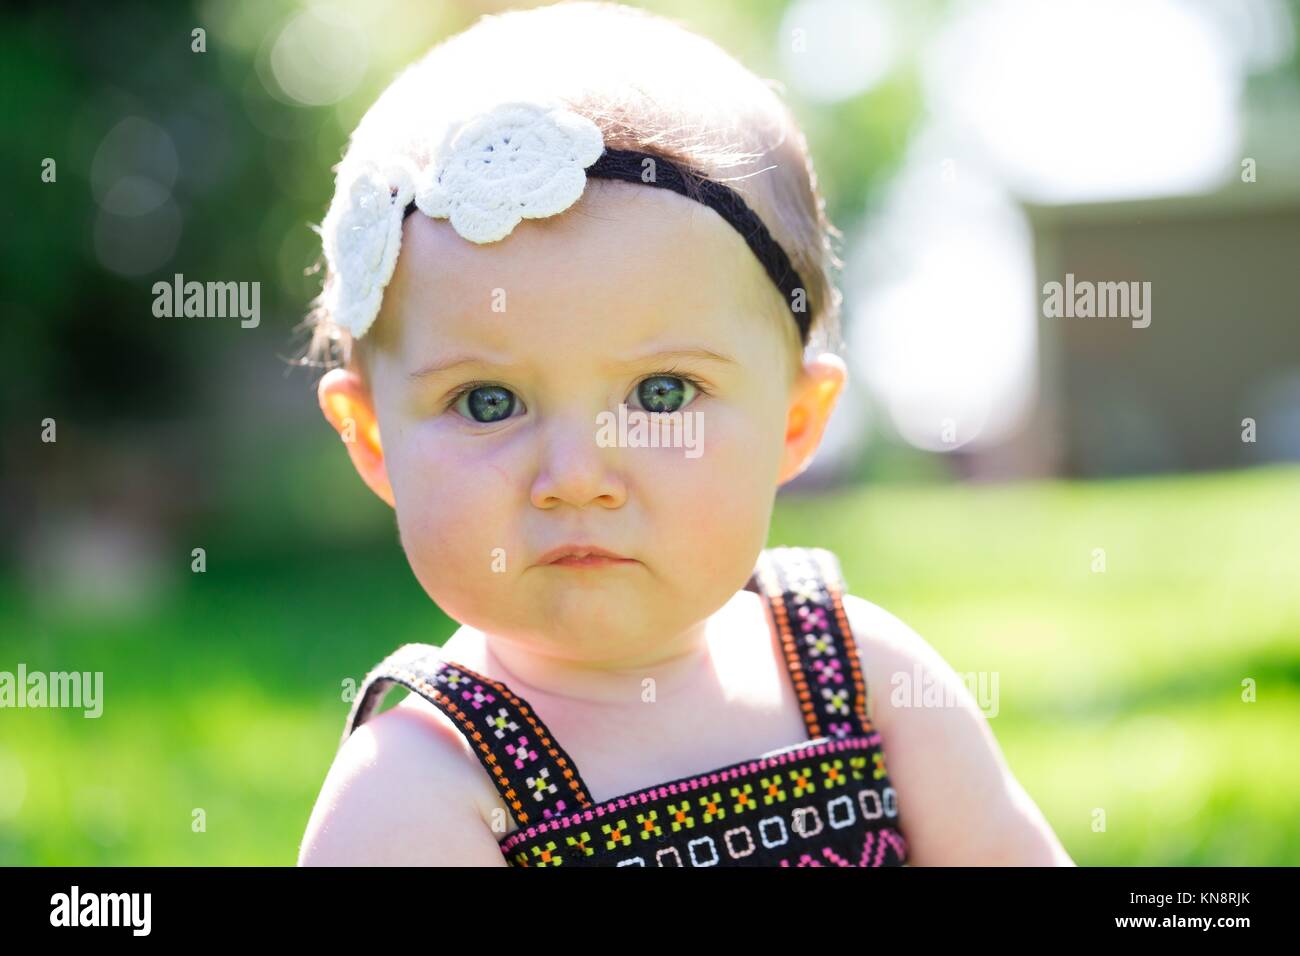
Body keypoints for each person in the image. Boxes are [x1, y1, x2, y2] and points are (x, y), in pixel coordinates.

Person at [296, 0, 1072, 867]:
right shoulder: (418, 793)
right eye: (487, 401)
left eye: (662, 394)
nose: (576, 475)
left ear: (795, 421)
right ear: (370, 439)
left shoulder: (860, 681)